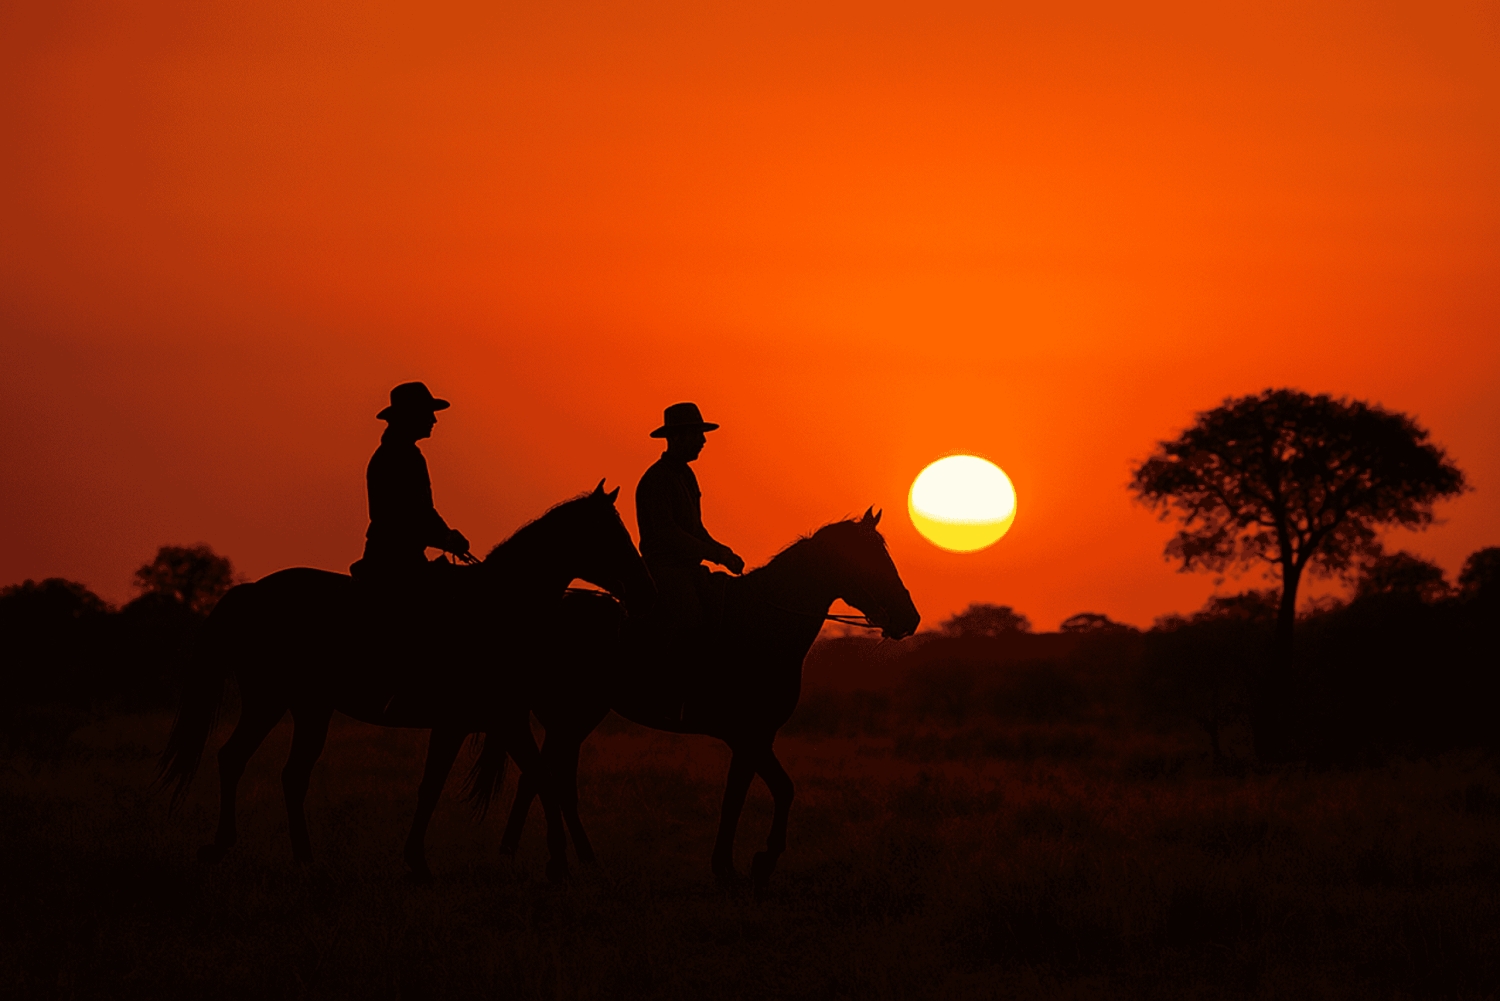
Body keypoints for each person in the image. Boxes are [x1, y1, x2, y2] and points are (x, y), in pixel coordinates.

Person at [635, 402, 744, 637]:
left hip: (689, 569)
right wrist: (716, 554)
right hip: (665, 572)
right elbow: (669, 534)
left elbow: (696, 529)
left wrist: (723, 552)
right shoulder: (657, 480)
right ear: (676, 438)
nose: (703, 441)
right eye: (696, 434)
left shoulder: (686, 475)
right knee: (691, 624)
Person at [350, 382, 472, 583]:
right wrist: (447, 539)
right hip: (395, 562)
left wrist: (445, 535)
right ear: (411, 415)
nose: (434, 419)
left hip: (399, 557)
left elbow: (422, 512)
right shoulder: (400, 457)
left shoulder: (398, 454)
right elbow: (411, 515)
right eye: (428, 413)